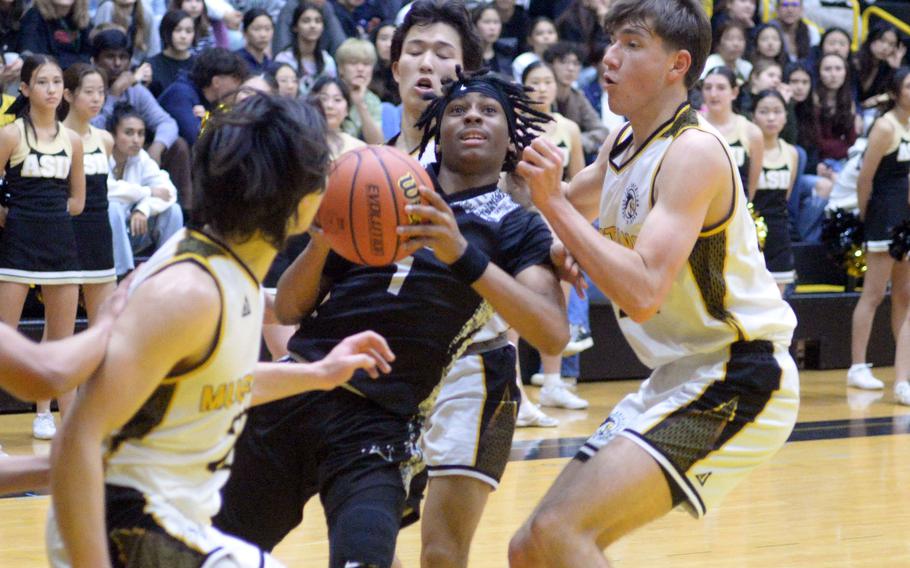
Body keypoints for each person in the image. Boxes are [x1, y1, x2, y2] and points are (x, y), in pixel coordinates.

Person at [214, 64, 566, 568]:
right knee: (204, 551)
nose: (473, 118)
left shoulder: (516, 225)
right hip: (297, 390)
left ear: (510, 138)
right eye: (460, 110)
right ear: (437, 131)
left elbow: (550, 334)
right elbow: (291, 307)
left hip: (378, 424)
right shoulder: (380, 190)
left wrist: (461, 254)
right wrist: (322, 238)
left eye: (490, 111)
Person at [47, 93, 396, 568]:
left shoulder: (232, 264)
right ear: (302, 200)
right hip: (121, 524)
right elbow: (76, 440)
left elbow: (212, 386)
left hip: (171, 518)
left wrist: (319, 373)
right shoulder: (187, 294)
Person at [508, 1, 800, 565]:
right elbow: (562, 209)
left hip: (739, 376)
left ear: (677, 65)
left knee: (561, 534)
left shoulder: (694, 152)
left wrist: (557, 214)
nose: (609, 57)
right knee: (530, 547)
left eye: (632, 44)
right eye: (611, 41)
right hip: (678, 374)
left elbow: (642, 293)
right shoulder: (623, 142)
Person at [0, 55, 85, 440]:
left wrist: (48, 215)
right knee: (5, 340)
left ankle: (68, 432)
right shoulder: (10, 134)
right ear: (24, 88)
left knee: (63, 346)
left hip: (61, 248)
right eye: (42, 82)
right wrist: (14, 214)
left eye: (56, 82)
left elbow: (77, 202)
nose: (51, 89)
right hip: (18, 244)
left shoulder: (74, 141)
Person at [848, 67, 910, 394]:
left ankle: (905, 368)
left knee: (904, 295)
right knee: (873, 294)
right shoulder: (885, 127)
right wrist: (866, 216)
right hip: (883, 216)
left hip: (906, 221)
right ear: (897, 91)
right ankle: (857, 366)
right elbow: (865, 177)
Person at [61, 63, 118, 322]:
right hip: (64, 236)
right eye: (89, 92)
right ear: (69, 95)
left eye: (101, 92)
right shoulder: (54, 138)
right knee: (59, 332)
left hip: (99, 235)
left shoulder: (105, 139)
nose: (97, 99)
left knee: (104, 328)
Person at [106, 103, 184, 276]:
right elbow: (106, 190)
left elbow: (168, 191)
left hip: (134, 231)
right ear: (112, 135)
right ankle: (122, 274)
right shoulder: (101, 154)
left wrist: (143, 209)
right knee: (113, 208)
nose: (136, 140)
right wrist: (147, 192)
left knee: (174, 210)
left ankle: (167, 273)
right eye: (129, 132)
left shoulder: (141, 158)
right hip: (102, 239)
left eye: (141, 134)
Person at [752, 89, 798, 293]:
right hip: (749, 236)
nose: (771, 117)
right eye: (764, 111)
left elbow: (785, 198)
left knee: (777, 303)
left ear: (786, 116)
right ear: (753, 116)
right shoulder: (746, 150)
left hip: (779, 235)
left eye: (777, 111)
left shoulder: (791, 152)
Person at [158, 47, 248, 146]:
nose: (239, 87)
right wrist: (209, 121)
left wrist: (208, 120)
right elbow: (197, 141)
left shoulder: (215, 101)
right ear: (216, 82)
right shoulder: (180, 94)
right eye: (236, 80)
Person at [700, 66, 763, 198]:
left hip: (736, 211)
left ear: (734, 92)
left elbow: (751, 188)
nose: (713, 94)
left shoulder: (751, 132)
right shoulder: (691, 125)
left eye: (721, 88)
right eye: (707, 87)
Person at [274, 2, 337, 96]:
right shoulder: (284, 59)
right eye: (306, 21)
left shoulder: (327, 60)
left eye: (318, 21)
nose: (313, 26)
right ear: (295, 27)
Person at [334, 37, 383, 144]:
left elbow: (377, 144)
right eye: (353, 63)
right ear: (341, 68)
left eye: (366, 64)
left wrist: (360, 104)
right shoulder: (330, 94)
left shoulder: (372, 100)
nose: (360, 69)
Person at [18, 0, 92, 69]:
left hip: (79, 78)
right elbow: (40, 59)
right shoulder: (34, 17)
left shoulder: (83, 19)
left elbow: (90, 54)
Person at [146, 9, 195, 97]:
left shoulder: (199, 65)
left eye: (188, 31)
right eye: (177, 30)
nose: (183, 36)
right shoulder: (151, 65)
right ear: (166, 32)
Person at [94, 0, 156, 65]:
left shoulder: (146, 11)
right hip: (109, 68)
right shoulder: (107, 7)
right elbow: (97, 45)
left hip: (138, 67)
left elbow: (153, 50)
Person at [511, 17, 557, 84]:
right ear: (530, 40)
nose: (546, 37)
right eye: (540, 33)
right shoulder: (523, 61)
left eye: (550, 32)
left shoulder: (562, 61)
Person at [236, 8, 274, 73]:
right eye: (256, 29)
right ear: (244, 32)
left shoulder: (270, 64)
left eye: (267, 29)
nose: (263, 35)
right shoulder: (236, 62)